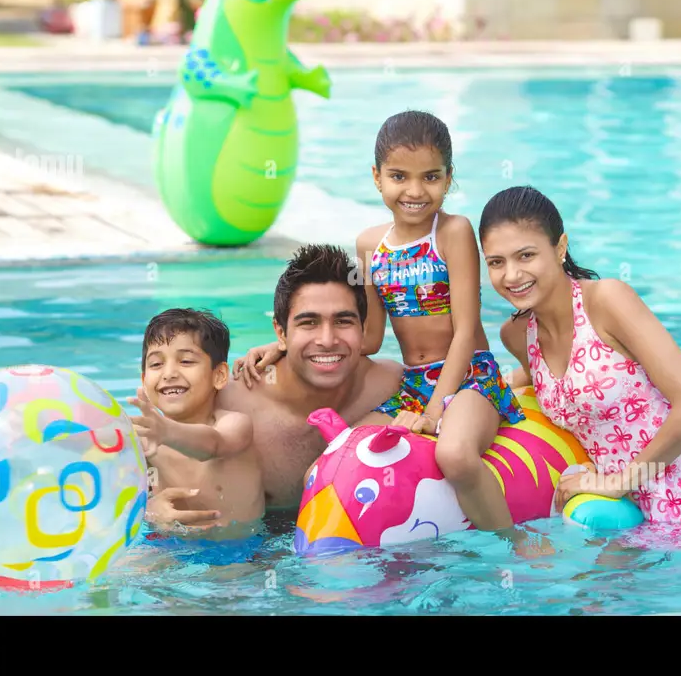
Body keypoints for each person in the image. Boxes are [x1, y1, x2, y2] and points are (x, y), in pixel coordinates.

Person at [235, 110, 525, 537]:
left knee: (457, 456)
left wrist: (432, 412)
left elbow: (466, 329)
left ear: (449, 178)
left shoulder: (453, 232)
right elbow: (368, 339)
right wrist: (280, 346)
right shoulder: (371, 245)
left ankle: (515, 542)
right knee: (336, 457)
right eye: (399, 176)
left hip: (466, 379)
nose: (414, 190)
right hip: (414, 384)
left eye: (431, 177)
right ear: (377, 177)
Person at [478, 185, 681, 544]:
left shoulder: (607, 301)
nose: (512, 275)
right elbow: (539, 383)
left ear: (560, 247)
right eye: (496, 262)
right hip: (624, 516)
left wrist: (616, 482)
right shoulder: (518, 334)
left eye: (526, 255)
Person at [144, 244, 406, 532]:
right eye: (308, 323)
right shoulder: (227, 403)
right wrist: (148, 509)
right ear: (280, 333)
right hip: (249, 562)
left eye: (343, 321)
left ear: (363, 329)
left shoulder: (392, 385)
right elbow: (155, 462)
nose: (327, 339)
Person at [129, 308, 264, 541]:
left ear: (219, 375)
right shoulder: (143, 439)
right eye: (156, 364)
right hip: (172, 547)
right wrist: (150, 512)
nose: (169, 373)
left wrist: (166, 431)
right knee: (123, 571)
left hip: (241, 553)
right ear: (143, 380)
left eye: (186, 361)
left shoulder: (233, 424)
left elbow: (213, 445)